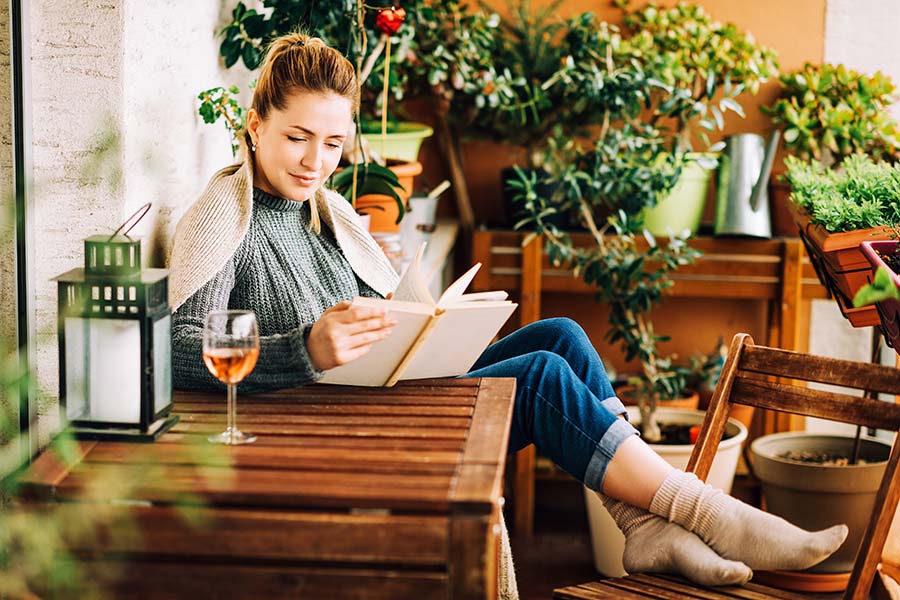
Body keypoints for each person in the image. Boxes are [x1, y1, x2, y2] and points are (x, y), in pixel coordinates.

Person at [168, 32, 847, 588]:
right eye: (297, 137)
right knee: (542, 378)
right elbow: (173, 346)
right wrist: (302, 348)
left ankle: (642, 530)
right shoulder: (223, 218)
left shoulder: (324, 212)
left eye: (334, 143)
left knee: (563, 337)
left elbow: (369, 319)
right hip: (331, 422)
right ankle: (702, 510)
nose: (317, 160)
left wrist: (418, 323)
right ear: (253, 124)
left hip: (370, 392)